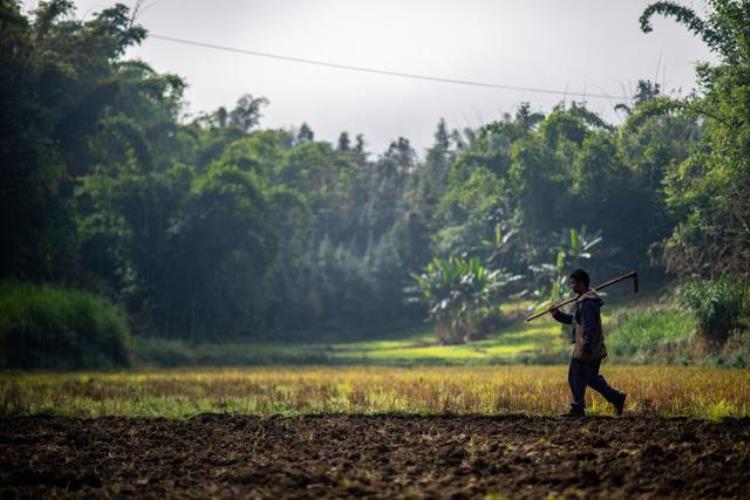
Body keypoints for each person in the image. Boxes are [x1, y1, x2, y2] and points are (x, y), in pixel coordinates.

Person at [550, 268, 626, 417]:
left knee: (575, 377)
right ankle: (617, 398)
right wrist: (557, 315)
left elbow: (589, 329)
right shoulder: (583, 302)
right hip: (590, 348)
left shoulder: (587, 304)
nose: (572, 286)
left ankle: (577, 409)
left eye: (574, 283)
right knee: (591, 378)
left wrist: (585, 348)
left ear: (581, 284)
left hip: (588, 348)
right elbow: (573, 320)